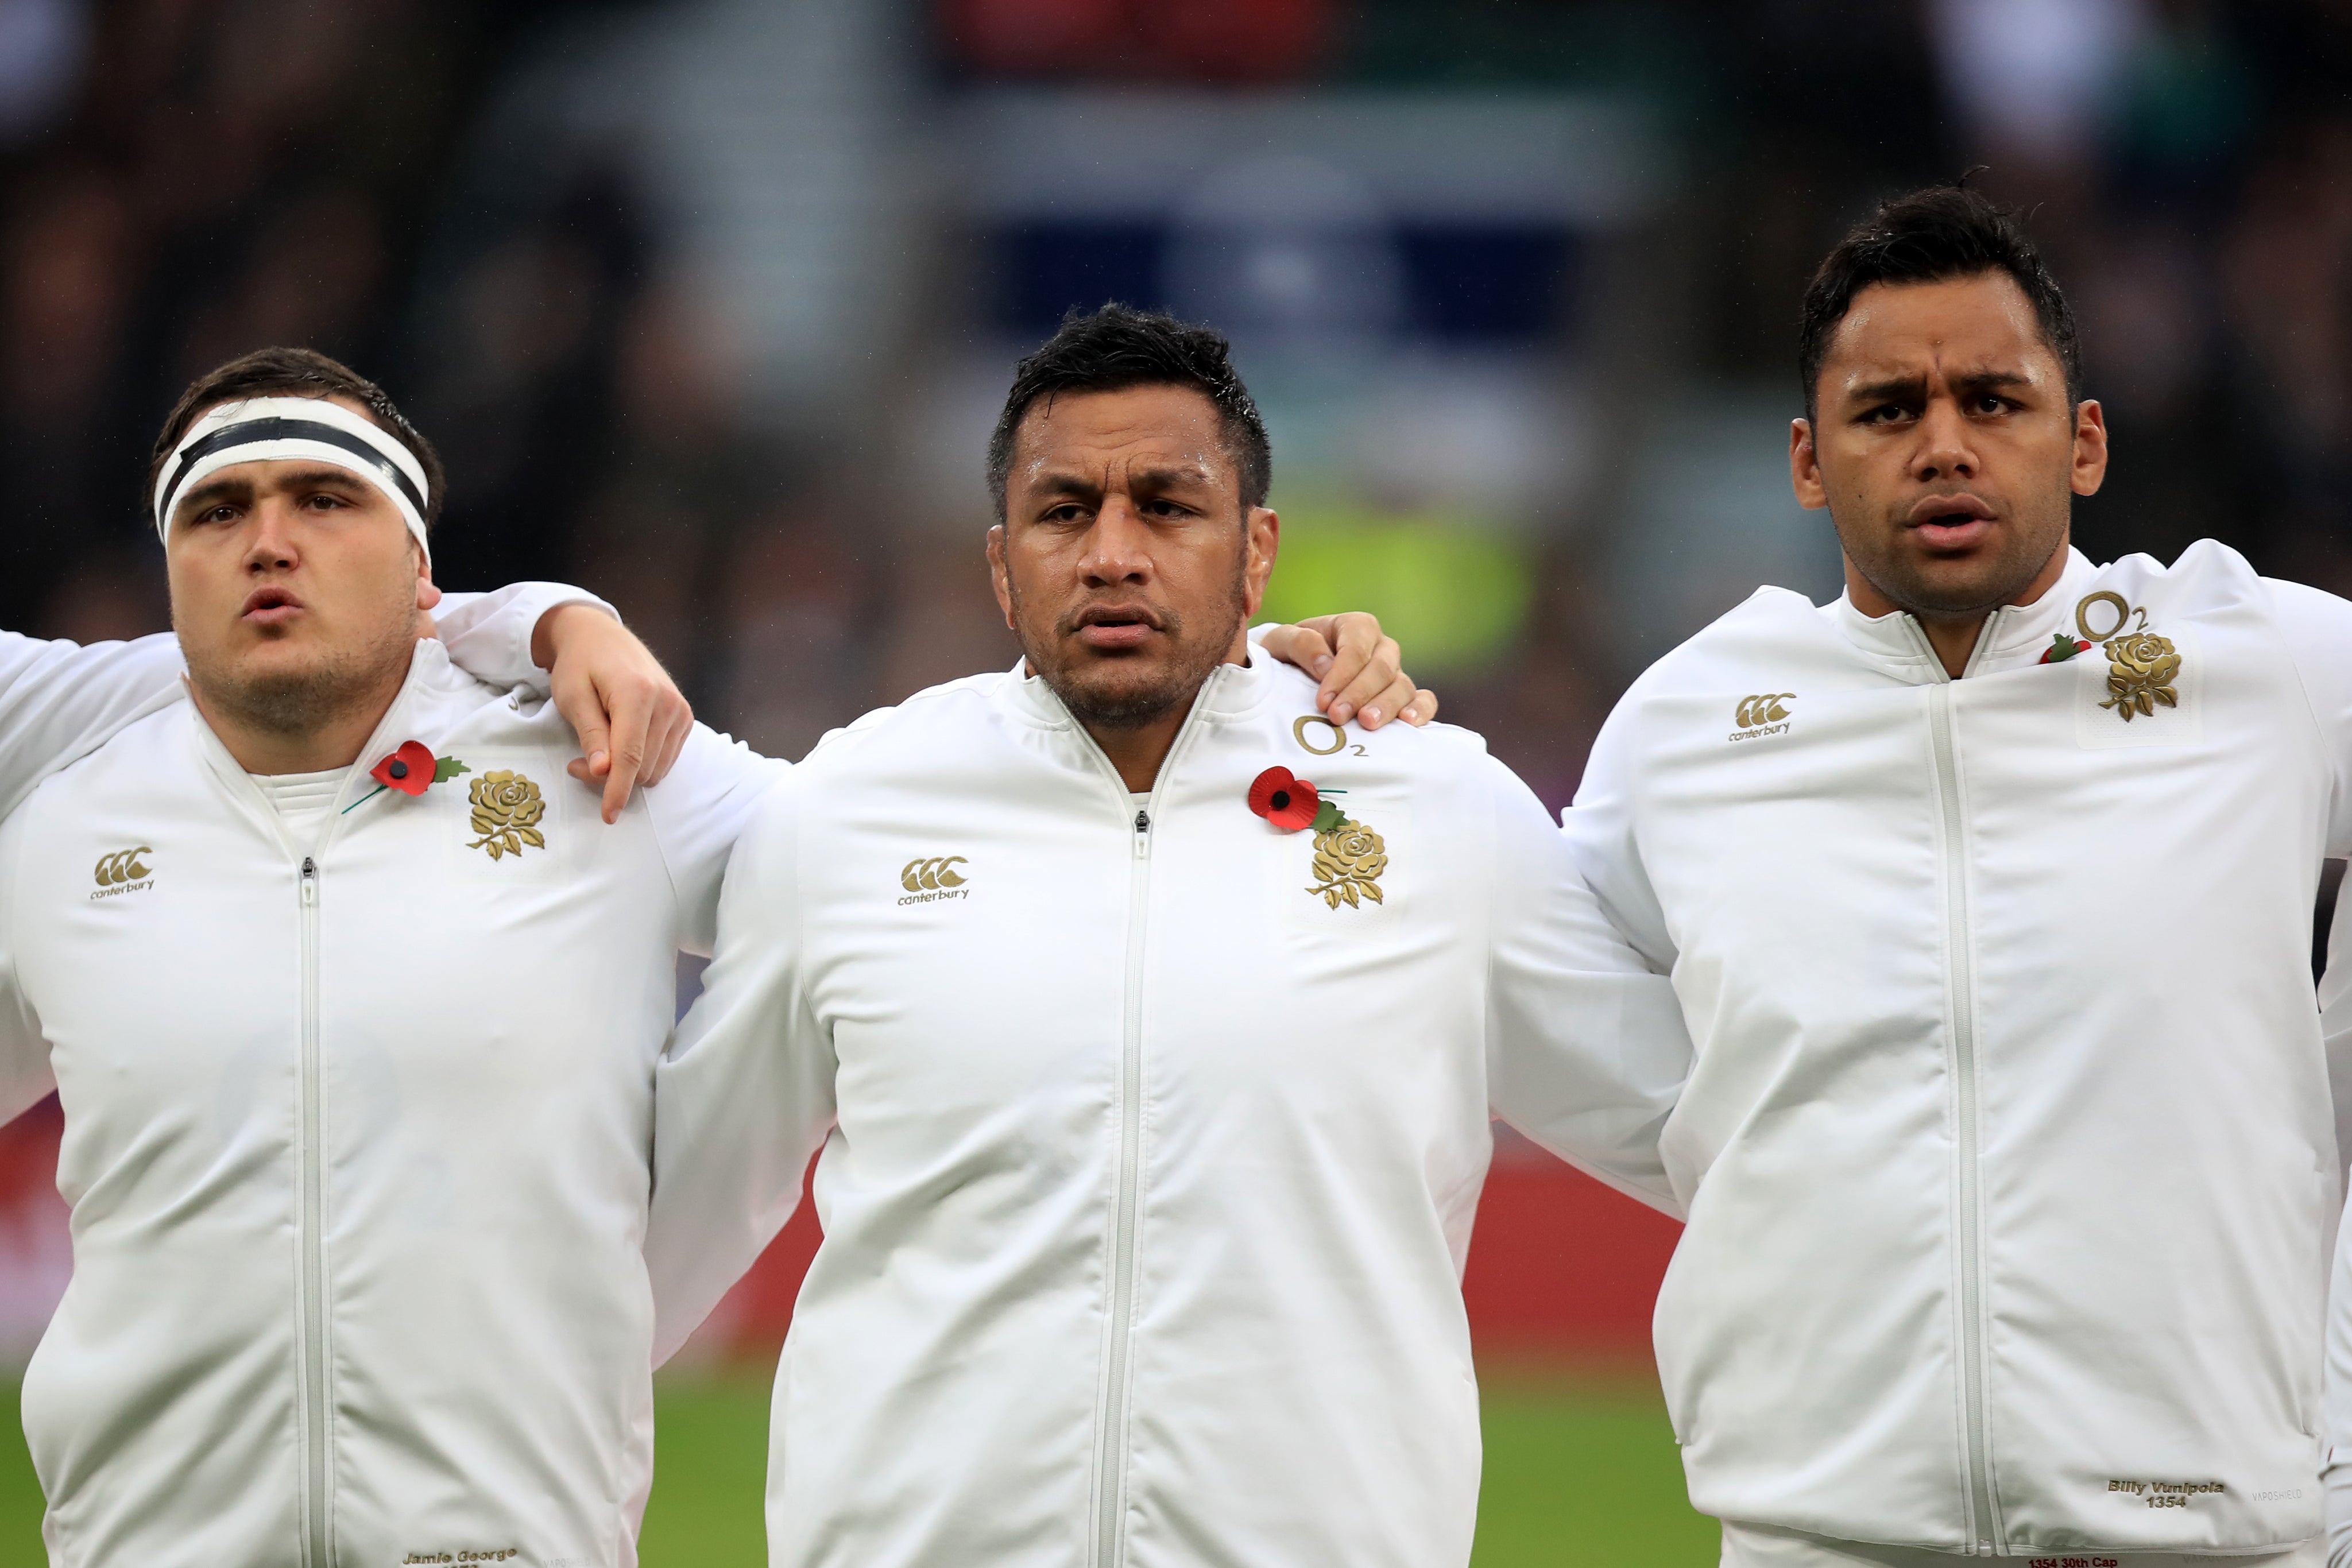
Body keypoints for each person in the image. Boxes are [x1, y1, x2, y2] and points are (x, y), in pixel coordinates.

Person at [0, 343, 1428, 1568]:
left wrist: (1229, 677)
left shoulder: (607, 767)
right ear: (166, 562)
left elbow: (953, 826)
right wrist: (551, 610)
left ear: (424, 567)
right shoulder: (61, 829)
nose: (269, 541)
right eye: (219, 512)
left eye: (325, 499)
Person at [644, 304, 1693, 1568]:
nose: (1111, 551)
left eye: (1165, 504)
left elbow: (1710, 1135)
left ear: (1256, 554)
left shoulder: (1436, 814)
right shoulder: (850, 813)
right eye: (1064, 509)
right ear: (999, 562)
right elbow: (662, 1227)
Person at [1564, 184, 2352, 1566]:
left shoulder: (2274, 670)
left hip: (2207, 1534)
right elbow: (1565, 1012)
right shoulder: (1692, 723)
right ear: (1808, 462)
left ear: (2082, 440)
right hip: (1819, 1536)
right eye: (1888, 411)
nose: (1943, 447)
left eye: (1993, 401)